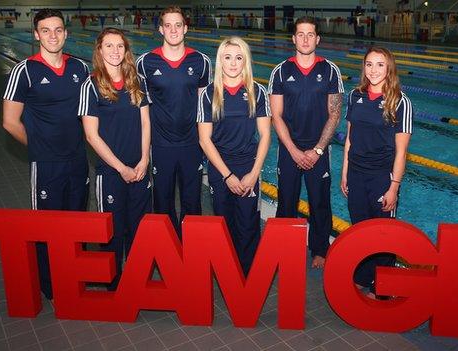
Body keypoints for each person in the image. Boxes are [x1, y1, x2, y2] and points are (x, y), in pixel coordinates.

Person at [2, 8, 90, 300]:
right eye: (46, 30)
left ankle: (77, 276)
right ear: (37, 34)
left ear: (66, 33)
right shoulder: (24, 70)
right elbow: (10, 122)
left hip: (78, 160)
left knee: (77, 220)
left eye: (58, 29)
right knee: (47, 224)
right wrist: (39, 146)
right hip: (47, 163)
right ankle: (50, 284)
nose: (53, 35)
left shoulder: (80, 67)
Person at [268, 16, 343, 269]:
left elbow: (334, 113)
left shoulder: (330, 70)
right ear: (293, 38)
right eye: (300, 34)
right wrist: (292, 150)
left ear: (318, 39)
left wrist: (318, 149)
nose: (305, 39)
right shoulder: (280, 71)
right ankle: (282, 247)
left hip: (319, 149)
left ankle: (320, 249)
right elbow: (275, 115)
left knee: (319, 202)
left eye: (310, 34)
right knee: (286, 200)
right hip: (289, 149)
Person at [78, 28, 151, 290]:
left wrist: (144, 160)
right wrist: (121, 168)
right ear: (99, 50)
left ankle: (136, 277)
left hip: (140, 168)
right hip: (111, 171)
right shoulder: (92, 85)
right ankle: (113, 282)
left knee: (139, 226)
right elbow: (91, 136)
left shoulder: (137, 81)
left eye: (119, 46)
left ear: (126, 50)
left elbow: (145, 123)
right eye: (109, 46)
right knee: (113, 228)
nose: (115, 51)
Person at [340, 46, 412, 299]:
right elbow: (350, 138)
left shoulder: (400, 102)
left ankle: (383, 286)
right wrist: (344, 172)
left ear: (389, 68)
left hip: (382, 176)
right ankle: (363, 276)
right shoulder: (355, 95)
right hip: (357, 174)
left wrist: (394, 186)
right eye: (369, 64)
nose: (373, 70)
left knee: (384, 234)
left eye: (380, 64)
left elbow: (401, 152)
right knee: (360, 229)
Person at [197, 37, 271, 275]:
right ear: (220, 60)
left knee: (249, 223)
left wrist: (253, 174)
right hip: (220, 169)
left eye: (238, 58)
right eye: (227, 57)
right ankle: (227, 272)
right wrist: (227, 175)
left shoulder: (257, 92)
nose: (233, 63)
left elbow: (265, 135)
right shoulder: (209, 94)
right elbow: (204, 139)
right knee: (224, 221)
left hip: (248, 166)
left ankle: (248, 276)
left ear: (245, 61)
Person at [136, 6, 211, 235]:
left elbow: (204, 105)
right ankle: (166, 250)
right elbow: (141, 110)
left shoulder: (201, 61)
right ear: (161, 29)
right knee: (162, 202)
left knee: (192, 202)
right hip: (161, 145)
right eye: (168, 25)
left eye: (178, 25)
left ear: (185, 28)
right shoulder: (145, 63)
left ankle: (190, 250)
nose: (173, 30)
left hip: (192, 144)